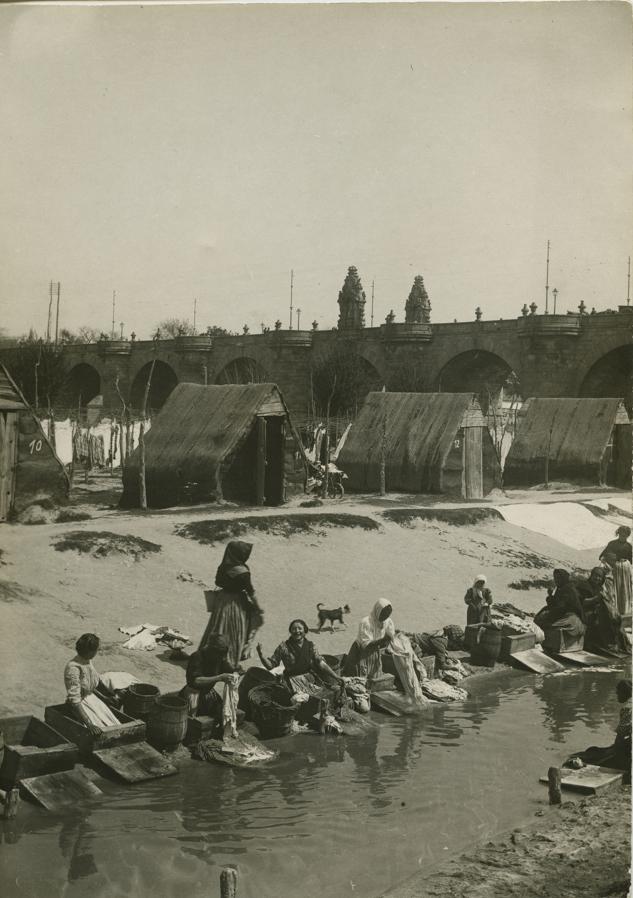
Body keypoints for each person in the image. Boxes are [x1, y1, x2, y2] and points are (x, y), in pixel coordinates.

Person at [199, 540, 264, 668]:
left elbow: (218, 582)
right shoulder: (243, 571)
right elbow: (250, 591)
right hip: (236, 603)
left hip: (222, 600)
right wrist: (258, 607)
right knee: (235, 631)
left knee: (218, 628)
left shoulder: (223, 567)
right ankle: (228, 661)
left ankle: (210, 658)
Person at [257, 619, 344, 698]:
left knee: (322, 697)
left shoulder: (310, 646)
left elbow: (321, 663)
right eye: (294, 629)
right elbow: (270, 666)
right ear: (290, 631)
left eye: (299, 628)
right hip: (291, 681)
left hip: (309, 679)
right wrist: (261, 655)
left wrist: (336, 676)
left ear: (305, 631)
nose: (297, 631)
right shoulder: (283, 647)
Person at [565, 679, 632, 778]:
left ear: (623, 693)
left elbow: (621, 736)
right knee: (598, 752)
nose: (617, 696)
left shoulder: (627, 709)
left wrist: (613, 752)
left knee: (590, 757)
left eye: (618, 693)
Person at [64, 634, 120, 736]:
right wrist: (89, 724)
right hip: (80, 705)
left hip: (92, 700)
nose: (96, 652)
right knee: (100, 731)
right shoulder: (73, 668)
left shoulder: (87, 661)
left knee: (113, 725)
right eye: (96, 650)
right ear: (90, 651)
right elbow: (74, 699)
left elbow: (89, 687)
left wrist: (105, 698)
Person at [180, 634, 237, 718]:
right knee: (194, 722)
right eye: (219, 654)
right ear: (211, 650)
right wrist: (220, 677)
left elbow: (230, 670)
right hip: (194, 694)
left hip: (208, 692)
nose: (221, 657)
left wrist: (235, 674)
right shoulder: (197, 656)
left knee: (221, 713)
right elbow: (196, 681)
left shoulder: (218, 658)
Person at [576, 566, 627, 654]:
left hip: (597, 611)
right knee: (601, 620)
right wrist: (596, 599)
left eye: (600, 577)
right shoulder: (583, 586)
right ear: (591, 575)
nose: (597, 578)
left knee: (614, 621)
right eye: (595, 575)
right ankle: (605, 644)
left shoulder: (599, 588)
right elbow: (581, 602)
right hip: (584, 612)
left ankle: (615, 644)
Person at [341, 598, 395, 681]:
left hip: (375, 653)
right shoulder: (366, 623)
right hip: (361, 654)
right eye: (383, 614)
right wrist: (384, 639)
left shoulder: (388, 622)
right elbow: (366, 646)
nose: (385, 617)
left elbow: (388, 639)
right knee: (358, 679)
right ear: (378, 611)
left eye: (388, 615)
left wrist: (390, 640)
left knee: (374, 680)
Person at [534, 569, 585, 652]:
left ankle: (548, 643)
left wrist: (548, 616)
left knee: (548, 624)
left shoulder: (569, 589)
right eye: (555, 578)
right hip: (563, 613)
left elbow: (561, 608)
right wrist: (550, 595)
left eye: (559, 578)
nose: (556, 580)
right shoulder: (561, 588)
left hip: (572, 618)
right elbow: (556, 605)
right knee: (542, 617)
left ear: (564, 579)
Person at [600, 527, 632, 616]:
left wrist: (626, 565)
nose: (623, 536)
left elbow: (630, 559)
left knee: (624, 588)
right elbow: (603, 555)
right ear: (618, 533)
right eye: (622, 534)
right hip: (614, 568)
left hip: (625, 569)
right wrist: (609, 561)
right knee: (614, 588)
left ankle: (623, 609)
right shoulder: (612, 544)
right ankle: (614, 609)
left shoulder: (629, 546)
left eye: (625, 535)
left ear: (628, 535)